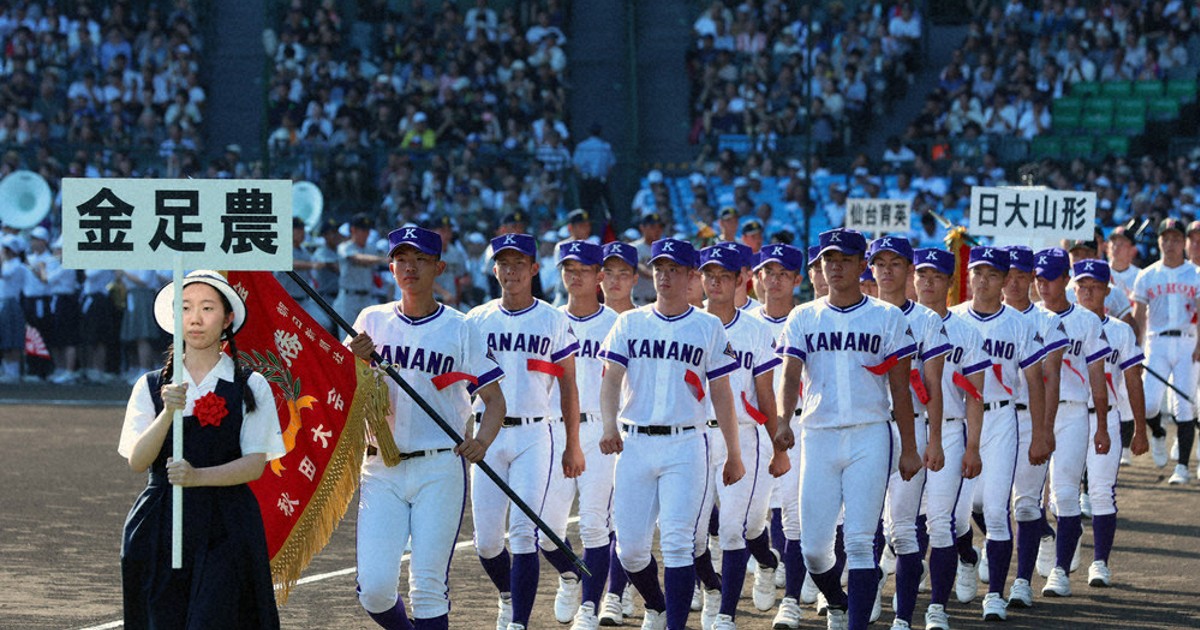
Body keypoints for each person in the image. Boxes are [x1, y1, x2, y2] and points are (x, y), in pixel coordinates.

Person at [346, 227, 507, 630]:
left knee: (428, 587)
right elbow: (347, 389)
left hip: (440, 466)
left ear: (439, 267)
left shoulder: (461, 327)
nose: (410, 267)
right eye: (401, 258)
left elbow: (495, 402)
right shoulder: (371, 319)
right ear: (390, 267)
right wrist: (355, 360)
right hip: (381, 465)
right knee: (376, 589)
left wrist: (482, 442)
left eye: (419, 259)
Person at [118, 270, 285, 629]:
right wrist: (167, 414)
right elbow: (137, 460)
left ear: (227, 320)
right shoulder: (149, 385)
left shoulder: (249, 385)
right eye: (186, 308)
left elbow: (255, 464)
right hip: (161, 520)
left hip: (226, 522)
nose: (195, 318)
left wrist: (197, 477)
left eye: (207, 308)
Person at [775, 228, 922, 630]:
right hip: (819, 434)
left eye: (844, 259)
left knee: (859, 542)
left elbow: (901, 389)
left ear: (862, 265)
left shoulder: (887, 316)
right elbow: (789, 376)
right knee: (813, 550)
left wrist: (909, 447)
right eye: (828, 260)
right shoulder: (804, 315)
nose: (835, 266)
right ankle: (839, 601)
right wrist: (783, 420)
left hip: (870, 434)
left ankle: (856, 620)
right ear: (818, 267)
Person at [598, 238, 745, 630]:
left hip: (686, 443)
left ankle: (675, 623)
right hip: (635, 442)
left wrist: (733, 452)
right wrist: (608, 424)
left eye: (674, 269)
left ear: (691, 276)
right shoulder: (629, 321)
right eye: (659, 268)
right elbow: (611, 380)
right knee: (629, 550)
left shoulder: (708, 325)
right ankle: (658, 606)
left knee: (679, 543)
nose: (664, 276)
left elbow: (723, 395)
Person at [466, 233, 585, 630]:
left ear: (535, 269)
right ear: (494, 268)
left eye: (520, 263)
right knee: (486, 542)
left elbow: (569, 386)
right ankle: (508, 593)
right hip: (487, 434)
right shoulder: (477, 319)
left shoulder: (553, 318)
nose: (511, 270)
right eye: (504, 263)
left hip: (535, 433)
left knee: (523, 533)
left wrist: (573, 445)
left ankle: (518, 622)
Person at [950, 246, 1049, 622]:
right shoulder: (954, 318)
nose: (984, 280)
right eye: (978, 272)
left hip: (1001, 418)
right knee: (955, 515)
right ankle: (966, 558)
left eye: (993, 274)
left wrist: (1040, 432)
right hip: (957, 421)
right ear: (969, 276)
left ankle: (995, 594)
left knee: (995, 510)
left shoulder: (1019, 323)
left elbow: (1035, 381)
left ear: (1005, 279)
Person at [693, 244, 788, 629]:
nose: (715, 282)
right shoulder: (688, 324)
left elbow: (765, 394)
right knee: (694, 536)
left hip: (746, 437)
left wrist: (778, 447)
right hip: (694, 439)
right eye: (709, 274)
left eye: (724, 276)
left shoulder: (755, 331)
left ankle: (729, 611)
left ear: (740, 280)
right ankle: (712, 586)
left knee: (739, 529)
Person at [868, 235, 950, 630]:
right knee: (861, 528)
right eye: (879, 263)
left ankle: (902, 616)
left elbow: (933, 385)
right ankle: (863, 601)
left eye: (895, 263)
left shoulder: (927, 320)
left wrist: (932, 440)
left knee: (902, 528)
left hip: (908, 427)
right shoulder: (855, 313)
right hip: (863, 427)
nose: (886, 270)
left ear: (908, 270)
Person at [543, 241, 620, 630]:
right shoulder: (549, 319)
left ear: (599, 276)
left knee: (594, 523)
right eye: (568, 268)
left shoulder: (617, 323)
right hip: (554, 430)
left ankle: (590, 606)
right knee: (543, 529)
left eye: (584, 269)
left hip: (599, 432)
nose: (575, 275)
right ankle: (572, 574)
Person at [912, 248, 987, 630]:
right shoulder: (897, 322)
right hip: (907, 427)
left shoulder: (964, 330)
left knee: (943, 521)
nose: (927, 282)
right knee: (905, 523)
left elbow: (975, 395)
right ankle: (962, 556)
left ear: (948, 282)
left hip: (952, 428)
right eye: (921, 274)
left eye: (936, 276)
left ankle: (937, 606)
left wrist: (973, 445)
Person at [1032, 248, 1111, 598]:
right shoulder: (1027, 317)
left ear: (1066, 280)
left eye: (1051, 278)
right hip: (1029, 414)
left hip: (1073, 411)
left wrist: (1103, 424)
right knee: (1024, 500)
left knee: (1065, 494)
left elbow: (1097, 377)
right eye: (1039, 278)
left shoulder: (1087, 321)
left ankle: (1060, 572)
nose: (1043, 285)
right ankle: (1053, 536)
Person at [1072, 258, 1149, 589]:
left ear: (1107, 290)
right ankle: (1064, 550)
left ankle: (1100, 562)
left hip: (1108, 417)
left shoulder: (1120, 330)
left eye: (1095, 286)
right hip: (1068, 416)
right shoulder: (1058, 326)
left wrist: (1141, 428)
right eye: (1082, 285)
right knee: (1058, 498)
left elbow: (1134, 382)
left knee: (1101, 492)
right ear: (1074, 289)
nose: (1088, 291)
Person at [996, 245, 1065, 610]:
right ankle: (1042, 533)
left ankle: (1021, 581)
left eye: (1024, 276)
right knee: (980, 503)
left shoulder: (1047, 321)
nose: (1015, 282)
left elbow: (1050, 379)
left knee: (1024, 504)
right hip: (993, 418)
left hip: (1029, 416)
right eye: (1009, 275)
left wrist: (1044, 429)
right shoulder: (987, 316)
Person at [748, 243, 808, 629]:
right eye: (767, 271)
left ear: (797, 280)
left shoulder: (806, 319)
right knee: (747, 522)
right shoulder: (744, 321)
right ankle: (767, 562)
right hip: (752, 427)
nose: (774, 279)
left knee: (795, 518)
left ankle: (792, 601)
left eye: (783, 273)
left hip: (798, 424)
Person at [1132, 218, 1200, 482]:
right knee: (1148, 405)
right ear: (1159, 241)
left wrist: (1199, 345)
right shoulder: (1147, 275)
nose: (1170, 244)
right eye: (1165, 238)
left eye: (1175, 239)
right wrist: (1136, 348)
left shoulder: (1195, 274)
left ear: (1184, 242)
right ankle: (1158, 434)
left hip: (1187, 341)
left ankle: (1182, 467)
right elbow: (1139, 316)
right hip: (1156, 341)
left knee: (1184, 405)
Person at [594, 240, 639, 626]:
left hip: (633, 433)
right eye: (609, 272)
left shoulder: (645, 321)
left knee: (621, 519)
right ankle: (601, 586)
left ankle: (615, 591)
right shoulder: (577, 319)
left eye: (625, 273)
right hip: (583, 428)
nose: (615, 280)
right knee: (596, 521)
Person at [335, 214, 388, 323]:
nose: (366, 234)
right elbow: (357, 258)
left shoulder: (371, 248)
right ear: (353, 230)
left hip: (367, 297)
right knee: (347, 336)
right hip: (349, 298)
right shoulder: (345, 247)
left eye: (368, 230)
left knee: (371, 335)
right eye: (363, 230)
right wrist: (381, 259)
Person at [573, 123, 616, 217]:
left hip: (586, 180)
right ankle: (610, 229)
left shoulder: (582, 146)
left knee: (586, 210)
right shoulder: (605, 147)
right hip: (600, 181)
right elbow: (610, 166)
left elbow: (576, 165)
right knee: (607, 210)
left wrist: (582, 176)